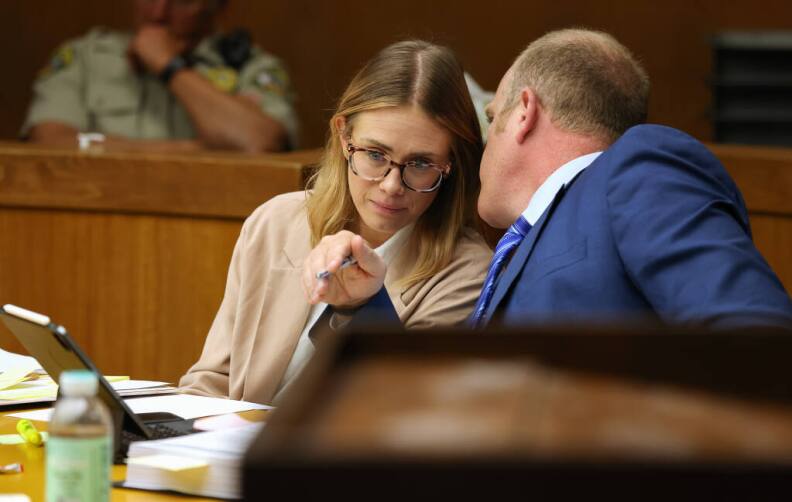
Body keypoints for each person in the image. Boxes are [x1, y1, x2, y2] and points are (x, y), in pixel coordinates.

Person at [305, 28, 792, 329]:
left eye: (491, 118)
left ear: (522, 114)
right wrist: (363, 305)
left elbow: (752, 338)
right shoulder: (527, 241)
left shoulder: (639, 166)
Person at [178, 40, 492, 404]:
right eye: (375, 154)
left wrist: (360, 307)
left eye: (421, 164)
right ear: (344, 137)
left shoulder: (467, 272)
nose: (391, 186)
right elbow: (213, 378)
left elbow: (405, 410)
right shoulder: (276, 221)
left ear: (451, 166)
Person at [21, 0, 297, 153]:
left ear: (218, 6)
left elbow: (260, 143)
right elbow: (47, 145)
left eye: (181, 1)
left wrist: (169, 66)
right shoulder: (84, 58)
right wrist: (196, 150)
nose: (158, 13)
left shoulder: (254, 68)